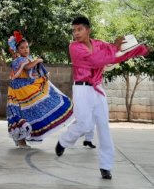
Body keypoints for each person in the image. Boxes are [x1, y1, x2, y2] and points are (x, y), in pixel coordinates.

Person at [55, 16, 150, 179]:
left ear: (88, 30)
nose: (76, 33)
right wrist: (114, 47)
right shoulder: (74, 47)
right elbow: (96, 60)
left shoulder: (100, 44)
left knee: (103, 127)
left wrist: (141, 50)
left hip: (97, 88)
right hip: (81, 89)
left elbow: (119, 54)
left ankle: (106, 166)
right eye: (74, 30)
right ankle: (65, 140)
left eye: (79, 29)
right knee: (84, 125)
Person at [6, 31, 74, 149]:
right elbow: (27, 67)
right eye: (22, 48)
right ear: (17, 50)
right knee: (20, 113)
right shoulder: (19, 60)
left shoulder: (25, 58)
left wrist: (39, 72)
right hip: (18, 91)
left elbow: (29, 72)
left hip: (24, 89)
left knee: (26, 113)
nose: (26, 50)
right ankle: (20, 140)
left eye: (27, 47)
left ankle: (21, 140)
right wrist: (37, 61)